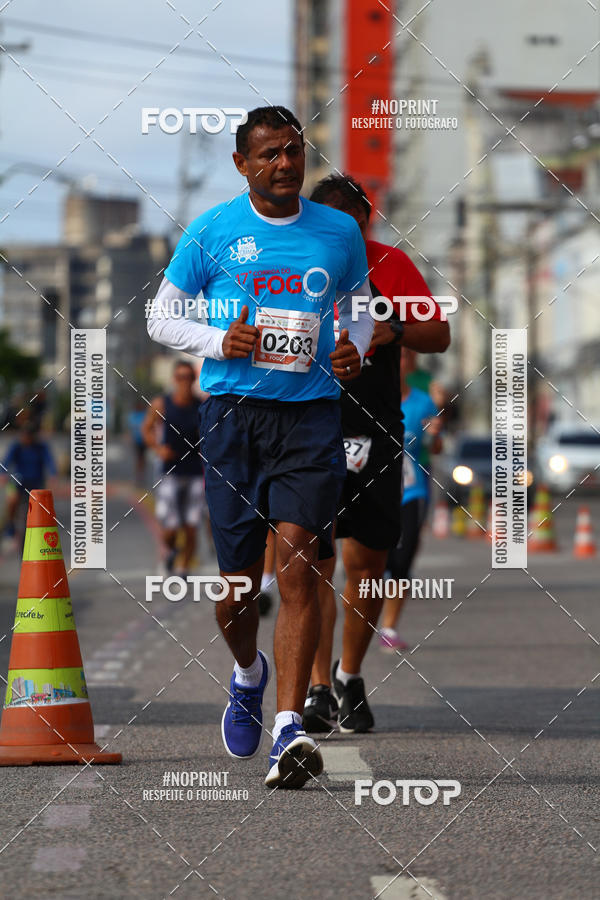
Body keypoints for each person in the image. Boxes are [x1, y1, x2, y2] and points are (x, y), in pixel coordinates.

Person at [147, 106, 375, 788]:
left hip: (310, 419)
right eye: (270, 153)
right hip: (233, 421)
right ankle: (248, 673)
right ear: (243, 164)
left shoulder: (338, 231)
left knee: (301, 565)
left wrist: (353, 349)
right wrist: (220, 342)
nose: (285, 163)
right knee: (239, 589)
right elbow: (161, 314)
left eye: (294, 152)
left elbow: (360, 307)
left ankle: (288, 730)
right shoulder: (214, 229)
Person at [302, 174, 450, 734]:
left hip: (375, 427)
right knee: (311, 562)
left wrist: (396, 328)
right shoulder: (290, 262)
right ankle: (316, 686)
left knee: (367, 562)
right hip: (307, 426)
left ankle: (350, 674)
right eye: (331, 220)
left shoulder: (390, 264)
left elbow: (439, 334)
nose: (344, 231)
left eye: (354, 221)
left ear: (366, 221)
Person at [380, 348, 443, 651]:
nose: (399, 361)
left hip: (412, 490)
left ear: (411, 364)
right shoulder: (373, 398)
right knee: (378, 563)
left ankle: (389, 628)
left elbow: (436, 447)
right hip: (376, 492)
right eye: (396, 356)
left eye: (405, 357)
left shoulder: (422, 402)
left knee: (402, 563)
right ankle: (367, 621)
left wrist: (437, 432)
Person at [141, 360, 205, 577]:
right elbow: (147, 429)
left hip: (195, 471)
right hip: (170, 471)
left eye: (188, 377)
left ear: (194, 379)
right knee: (171, 527)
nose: (184, 381)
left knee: (191, 526)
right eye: (180, 377)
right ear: (174, 379)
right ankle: (170, 550)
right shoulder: (162, 403)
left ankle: (183, 568)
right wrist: (158, 449)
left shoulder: (201, 405)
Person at [1, 422, 57, 539]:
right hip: (17, 481)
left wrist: (53, 475)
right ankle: (11, 525)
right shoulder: (16, 446)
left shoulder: (41, 447)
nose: (24, 439)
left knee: (40, 507)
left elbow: (50, 461)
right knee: (12, 500)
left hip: (35, 483)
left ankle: (37, 529)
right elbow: (6, 461)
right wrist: (3, 474)